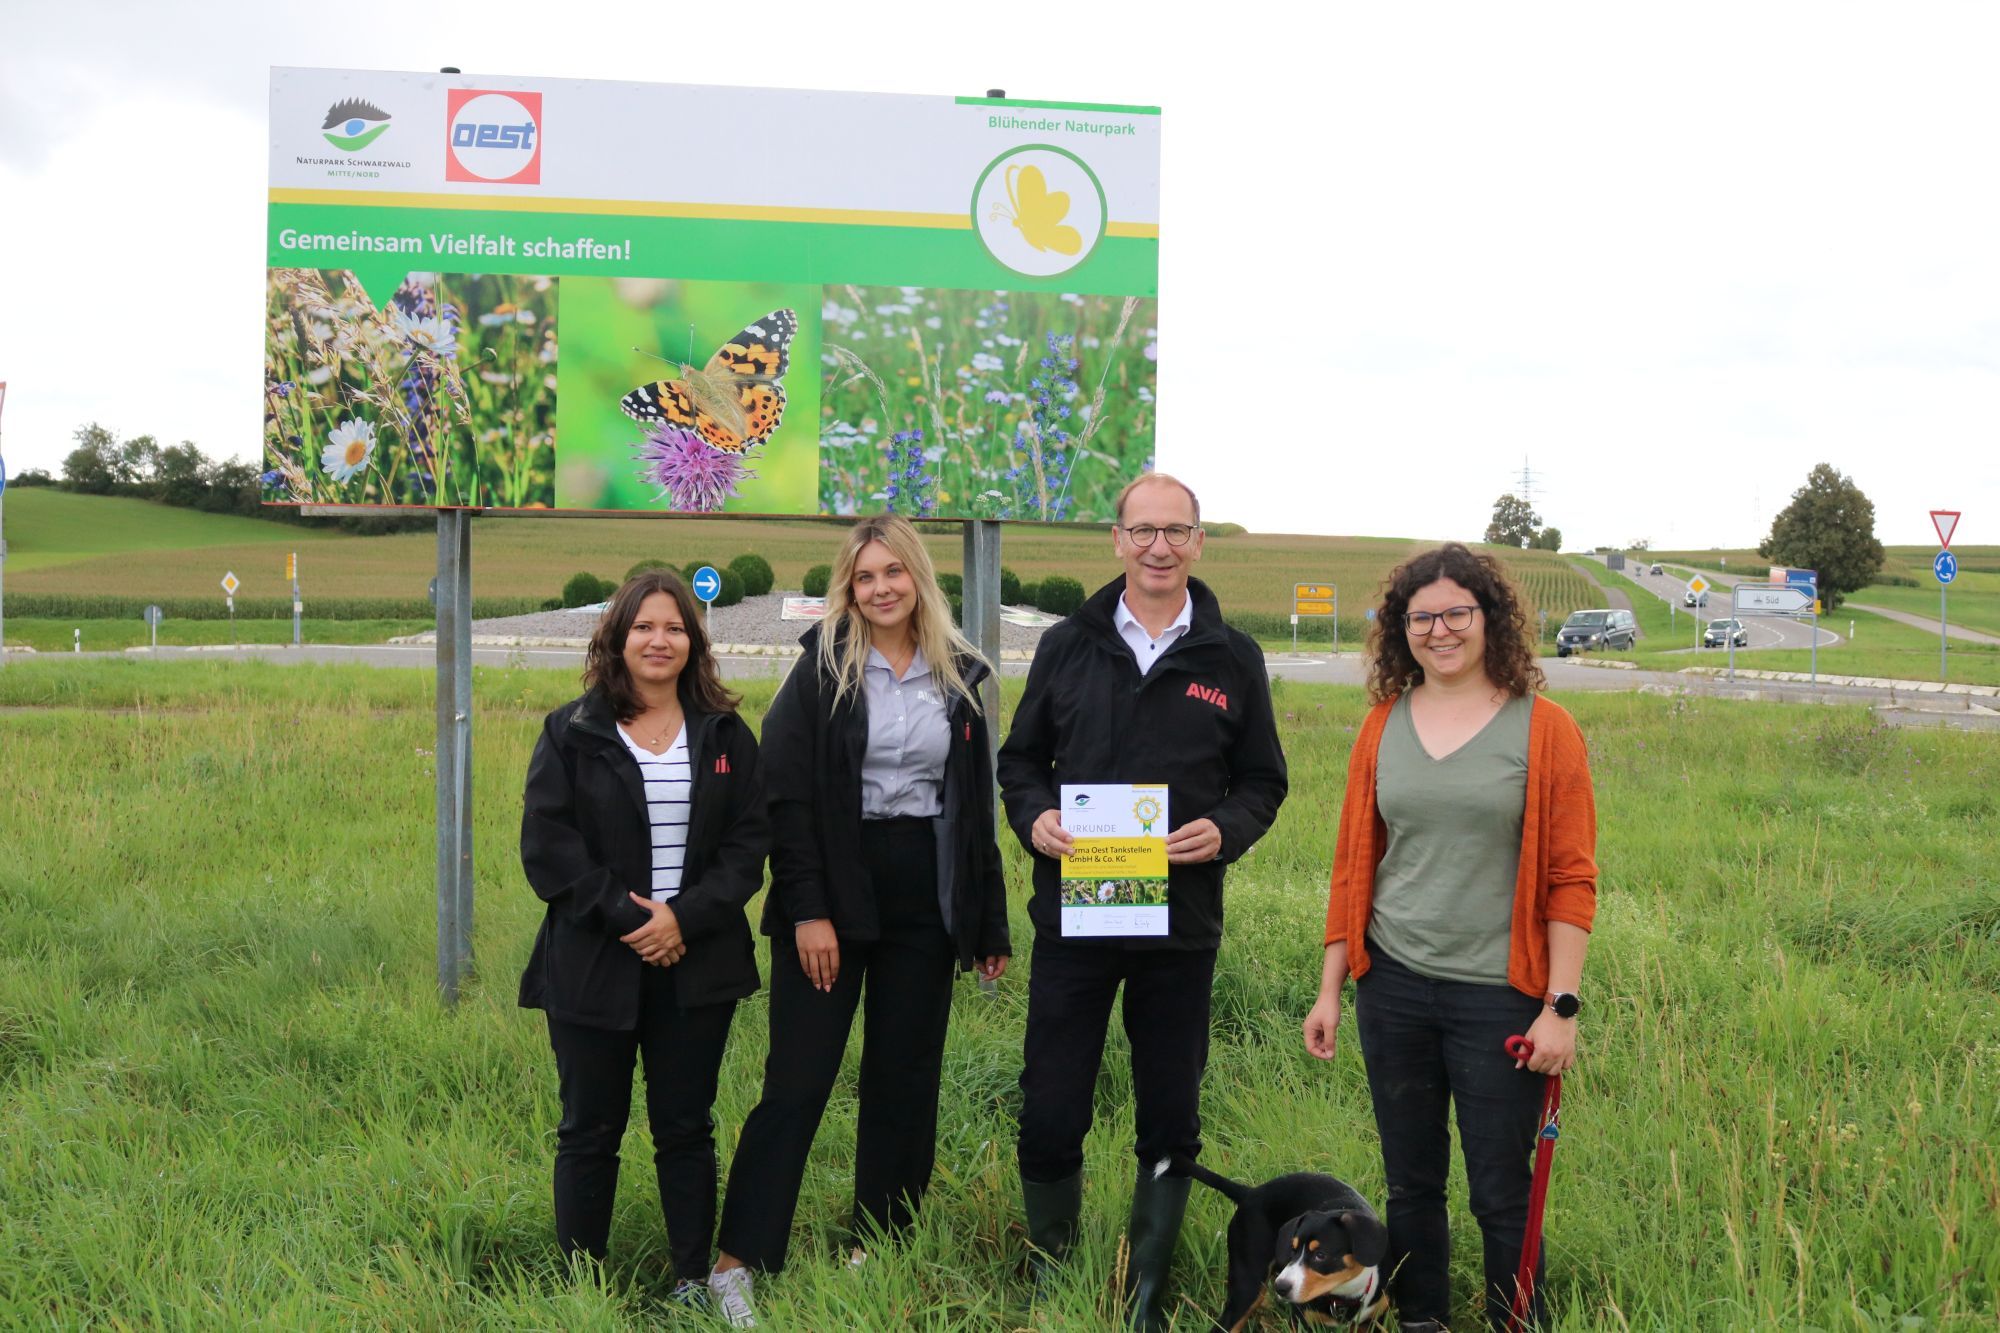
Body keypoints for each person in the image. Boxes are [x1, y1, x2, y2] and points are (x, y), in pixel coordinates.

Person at [998, 472, 1289, 1330]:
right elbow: (1019, 761)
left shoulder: (1233, 656)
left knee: (1171, 1111)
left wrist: (1225, 829)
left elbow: (1264, 780)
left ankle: (1146, 1294)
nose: (1160, 546)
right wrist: (1036, 817)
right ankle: (1053, 1274)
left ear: (1199, 541)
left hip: (1179, 926)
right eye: (1144, 530)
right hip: (1077, 921)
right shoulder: (1067, 646)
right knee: (1052, 1102)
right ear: (1117, 539)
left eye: (1178, 530)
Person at [707, 514, 1011, 1327]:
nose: (880, 588)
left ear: (918, 578)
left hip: (925, 895)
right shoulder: (820, 672)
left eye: (893, 573)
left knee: (904, 1080)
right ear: (849, 586)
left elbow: (974, 804)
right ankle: (738, 1260)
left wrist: (987, 923)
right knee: (799, 1079)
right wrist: (807, 909)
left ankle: (879, 1239)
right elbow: (786, 798)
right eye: (864, 576)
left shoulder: (961, 674)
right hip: (833, 887)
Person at [1303, 542, 1598, 1331]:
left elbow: (1573, 878)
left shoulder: (1546, 730)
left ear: (1489, 618)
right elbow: (1352, 864)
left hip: (1499, 995)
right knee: (1411, 1183)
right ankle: (1422, 1319)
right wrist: (1332, 986)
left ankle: (1511, 1321)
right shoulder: (1380, 727)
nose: (1439, 630)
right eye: (1421, 616)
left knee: (1501, 1187)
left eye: (1455, 613)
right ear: (1400, 629)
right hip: (1392, 985)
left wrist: (1560, 1006)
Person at [518, 570, 769, 1305]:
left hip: (697, 963)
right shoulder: (573, 731)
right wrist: (633, 919)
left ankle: (693, 1276)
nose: (660, 640)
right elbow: (549, 848)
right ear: (617, 637)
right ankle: (583, 1287)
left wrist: (682, 918)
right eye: (644, 627)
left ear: (694, 641)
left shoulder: (725, 734)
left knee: (686, 1127)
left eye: (675, 627)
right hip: (595, 962)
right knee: (589, 1130)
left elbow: (747, 846)